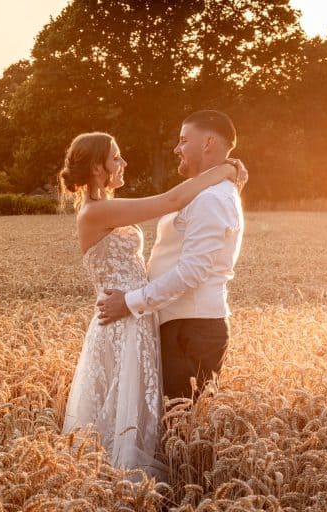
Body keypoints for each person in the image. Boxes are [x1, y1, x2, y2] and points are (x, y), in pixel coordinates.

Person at [59, 130, 246, 481]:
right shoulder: (97, 211)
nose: (123, 162)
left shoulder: (106, 206)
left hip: (136, 314)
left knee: (138, 406)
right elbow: (171, 200)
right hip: (121, 319)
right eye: (116, 157)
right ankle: (120, 482)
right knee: (121, 405)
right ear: (98, 169)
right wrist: (223, 171)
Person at [97, 110, 245, 405]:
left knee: (181, 426)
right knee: (172, 424)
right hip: (180, 325)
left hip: (192, 330)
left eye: (183, 140)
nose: (177, 149)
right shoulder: (204, 193)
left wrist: (129, 302)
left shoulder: (212, 199)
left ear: (208, 143)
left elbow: (192, 272)